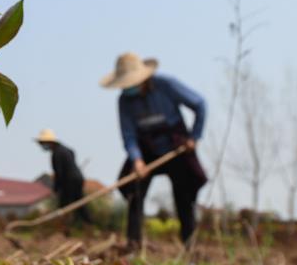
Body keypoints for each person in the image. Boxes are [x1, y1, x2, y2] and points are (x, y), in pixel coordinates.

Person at [100, 53, 207, 252]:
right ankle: (133, 246)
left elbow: (200, 104)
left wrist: (194, 137)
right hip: (146, 149)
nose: (128, 88)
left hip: (176, 147)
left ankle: (189, 249)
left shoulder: (167, 85)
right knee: (134, 191)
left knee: (184, 197)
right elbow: (128, 134)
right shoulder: (124, 101)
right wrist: (137, 160)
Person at [35, 129, 93, 228]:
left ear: (49, 142)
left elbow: (59, 174)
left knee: (65, 206)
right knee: (79, 203)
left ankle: (66, 227)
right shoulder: (66, 150)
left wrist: (56, 189)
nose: (42, 146)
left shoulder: (56, 154)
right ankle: (86, 225)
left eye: (43, 143)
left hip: (70, 182)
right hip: (78, 179)